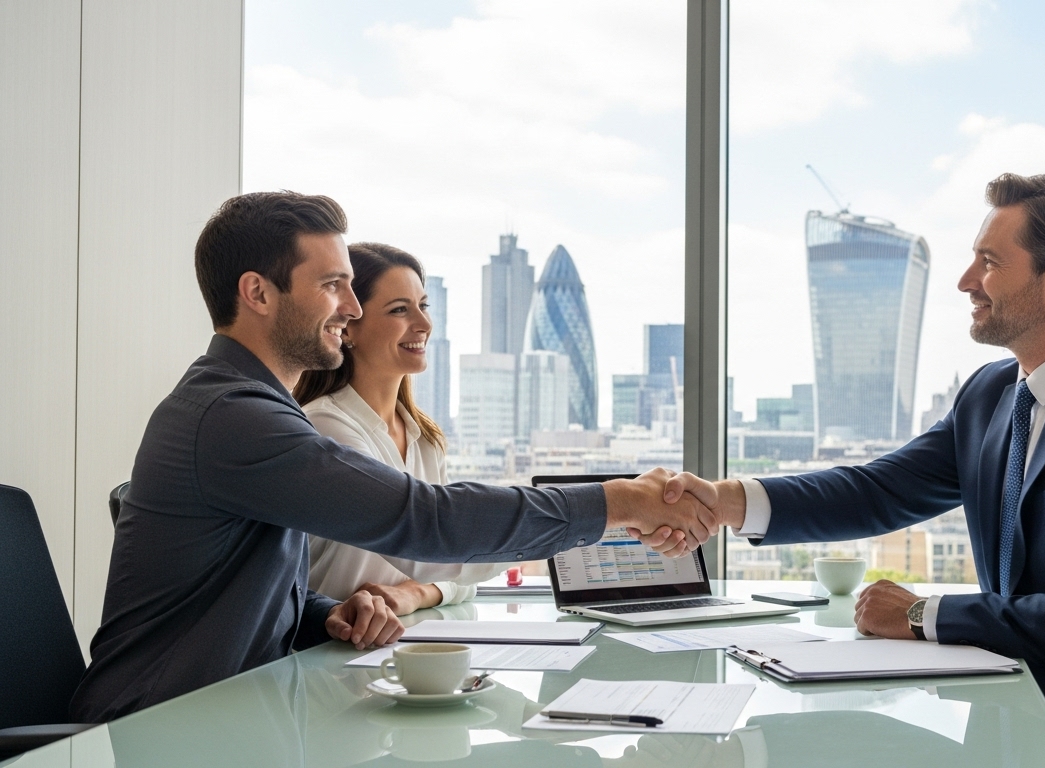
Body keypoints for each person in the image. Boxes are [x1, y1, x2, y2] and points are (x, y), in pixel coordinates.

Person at [659, 174, 1045, 767]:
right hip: (1010, 708)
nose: (967, 282)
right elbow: (880, 490)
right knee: (843, 727)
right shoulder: (992, 394)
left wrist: (921, 614)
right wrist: (725, 499)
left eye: (990, 262)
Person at [72, 191, 711, 723]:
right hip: (160, 728)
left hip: (230, 711)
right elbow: (424, 519)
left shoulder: (254, 409)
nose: (350, 310)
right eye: (331, 286)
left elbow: (238, 589)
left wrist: (327, 615)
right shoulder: (234, 418)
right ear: (258, 294)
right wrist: (620, 501)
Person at [293, 242, 503, 614]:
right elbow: (438, 549)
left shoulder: (425, 439)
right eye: (399, 310)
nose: (423, 324)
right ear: (347, 326)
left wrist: (416, 593)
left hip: (400, 646)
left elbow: (459, 580)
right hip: (326, 651)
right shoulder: (327, 427)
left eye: (423, 306)